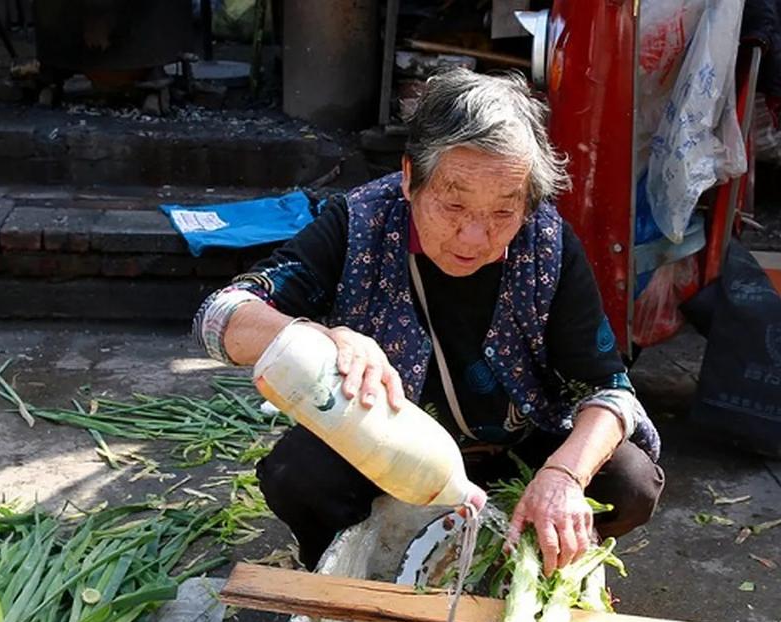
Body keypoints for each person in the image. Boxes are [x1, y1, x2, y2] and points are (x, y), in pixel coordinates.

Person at [193, 69, 663, 573]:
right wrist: (317, 335)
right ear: (410, 177)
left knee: (628, 483)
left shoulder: (545, 243)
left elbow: (610, 392)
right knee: (299, 476)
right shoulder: (360, 223)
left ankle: (529, 559)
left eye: (503, 213)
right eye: (454, 205)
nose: (472, 238)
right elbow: (220, 316)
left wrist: (564, 476)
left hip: (521, 443)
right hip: (387, 448)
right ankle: (359, 571)